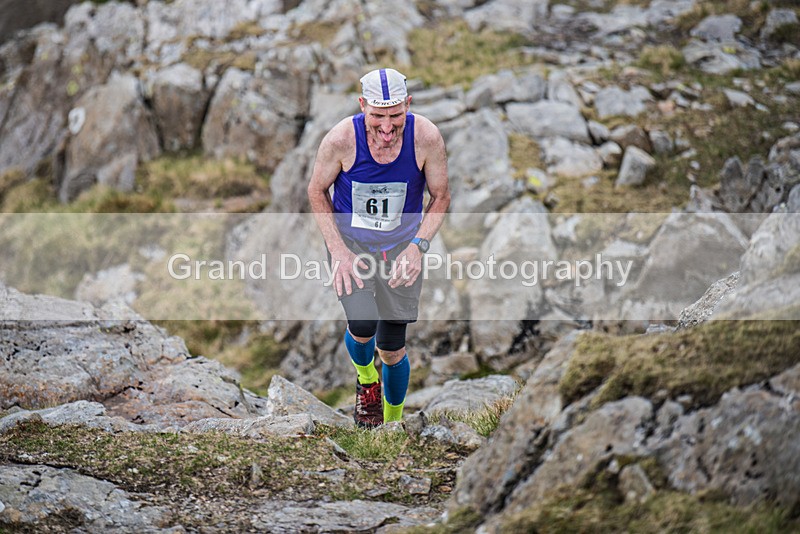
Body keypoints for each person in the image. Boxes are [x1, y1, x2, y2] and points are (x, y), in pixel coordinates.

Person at [307, 67, 450, 428]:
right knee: (363, 323)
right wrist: (338, 252)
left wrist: (418, 247)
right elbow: (315, 190)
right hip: (351, 247)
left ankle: (392, 425)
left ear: (408, 106)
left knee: (392, 349)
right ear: (362, 106)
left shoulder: (426, 138)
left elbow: (441, 196)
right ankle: (367, 380)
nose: (387, 129)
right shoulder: (341, 139)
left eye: (396, 117)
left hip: (402, 248)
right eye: (377, 117)